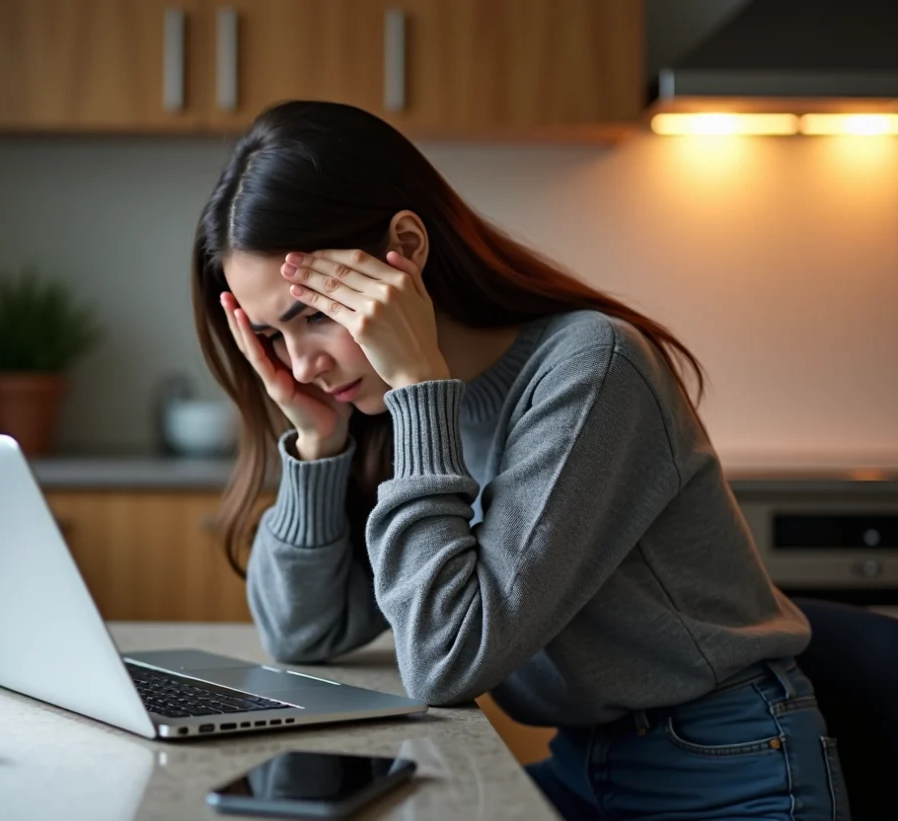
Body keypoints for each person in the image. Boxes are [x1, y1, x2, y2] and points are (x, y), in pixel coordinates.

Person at [190, 100, 849, 821]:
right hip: (587, 763)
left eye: (316, 315)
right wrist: (319, 445)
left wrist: (419, 392)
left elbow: (448, 660)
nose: (303, 363)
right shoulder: (387, 409)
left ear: (404, 248)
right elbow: (301, 633)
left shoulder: (591, 367)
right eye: (273, 336)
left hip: (726, 773)